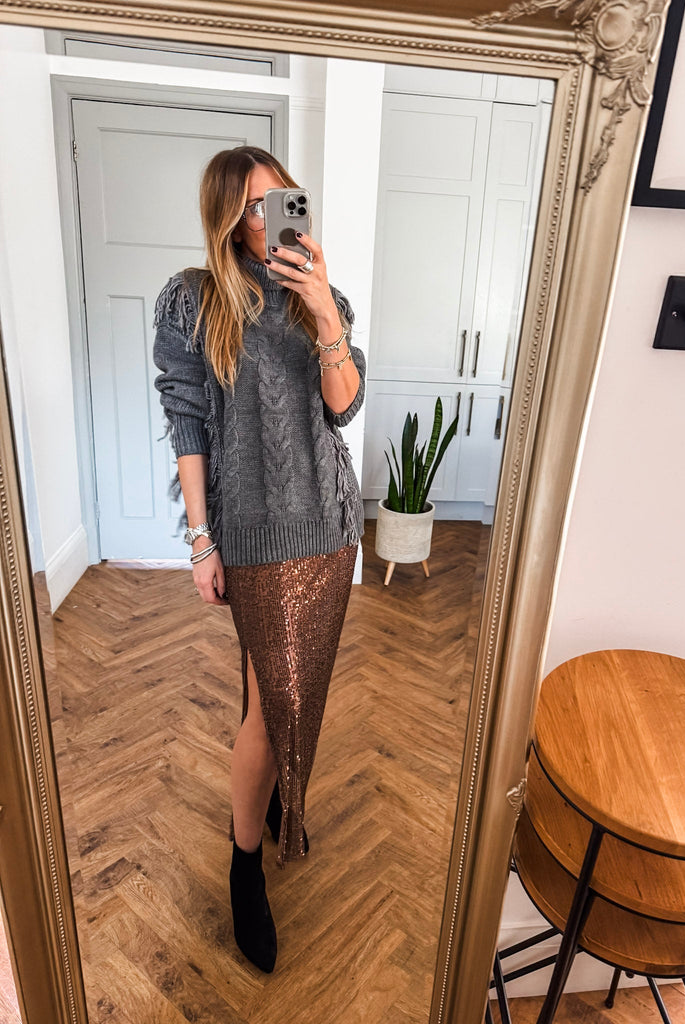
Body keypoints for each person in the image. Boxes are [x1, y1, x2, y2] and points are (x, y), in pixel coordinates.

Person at [152, 146, 365, 974]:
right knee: (275, 716)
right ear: (225, 218)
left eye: (281, 200)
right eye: (251, 205)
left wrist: (325, 314)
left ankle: (275, 807)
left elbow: (342, 409)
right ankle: (246, 863)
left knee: (286, 694)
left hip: (328, 529)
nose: (268, 218)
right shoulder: (194, 299)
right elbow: (187, 422)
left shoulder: (321, 296)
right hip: (250, 536)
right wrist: (200, 539)